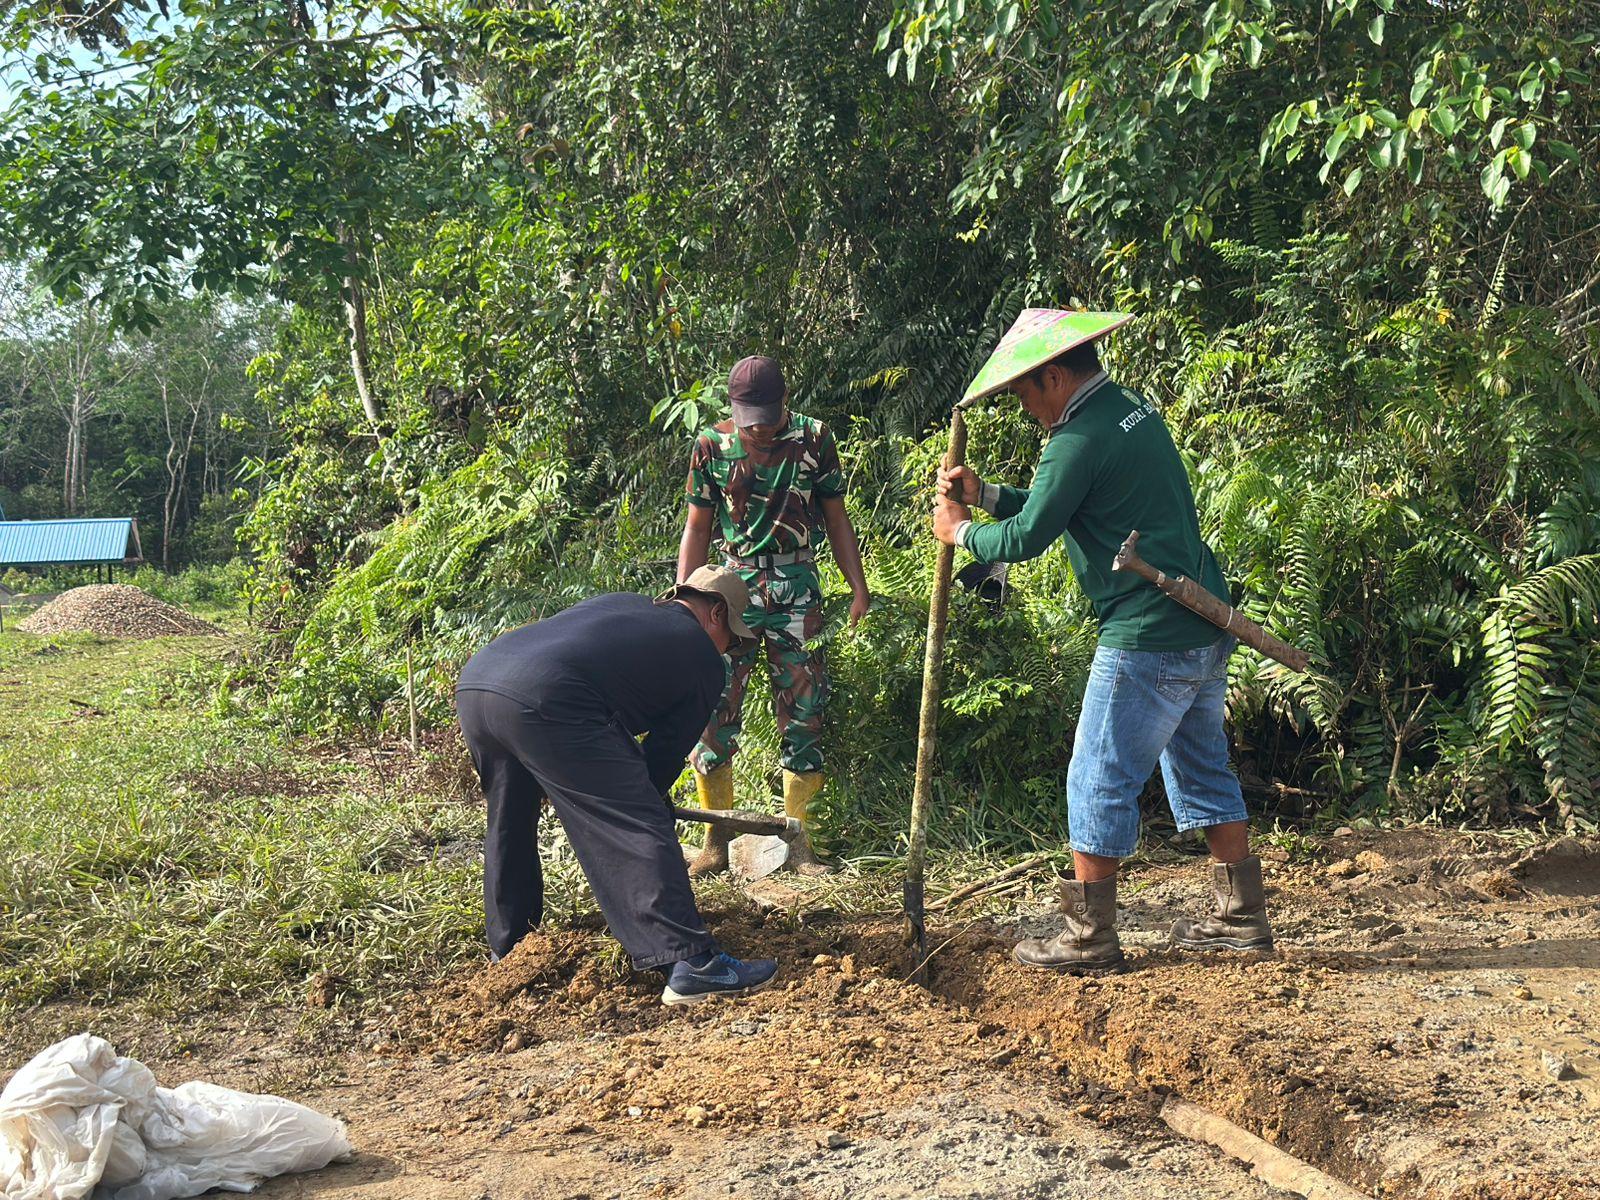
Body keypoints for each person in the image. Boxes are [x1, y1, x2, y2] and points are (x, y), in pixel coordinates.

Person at [932, 309, 1274, 973]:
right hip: (1202, 616)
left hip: (1148, 631)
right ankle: (1242, 919)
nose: (1029, 410)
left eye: (1027, 395)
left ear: (1055, 376)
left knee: (1096, 777)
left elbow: (1028, 538)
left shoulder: (1077, 439)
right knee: (1202, 766)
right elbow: (1068, 506)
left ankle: (1088, 937)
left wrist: (959, 531)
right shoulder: (1128, 410)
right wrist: (988, 494)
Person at [455, 566, 779, 1004]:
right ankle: (692, 963)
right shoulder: (700, 654)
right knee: (637, 820)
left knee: (509, 820)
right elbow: (660, 761)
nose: (730, 651)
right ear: (716, 614)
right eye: (734, 640)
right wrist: (647, 801)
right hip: (552, 695)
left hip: (480, 684)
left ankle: (510, 951)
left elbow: (597, 689)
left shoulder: (624, 605)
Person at [678, 355, 871, 876]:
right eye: (748, 417)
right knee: (714, 712)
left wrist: (858, 586)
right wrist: (685, 598)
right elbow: (698, 528)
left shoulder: (814, 440)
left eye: (766, 414)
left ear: (785, 401)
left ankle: (800, 846)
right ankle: (715, 842)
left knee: (804, 715)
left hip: (797, 590)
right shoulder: (711, 447)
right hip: (731, 591)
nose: (758, 427)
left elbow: (835, 516)